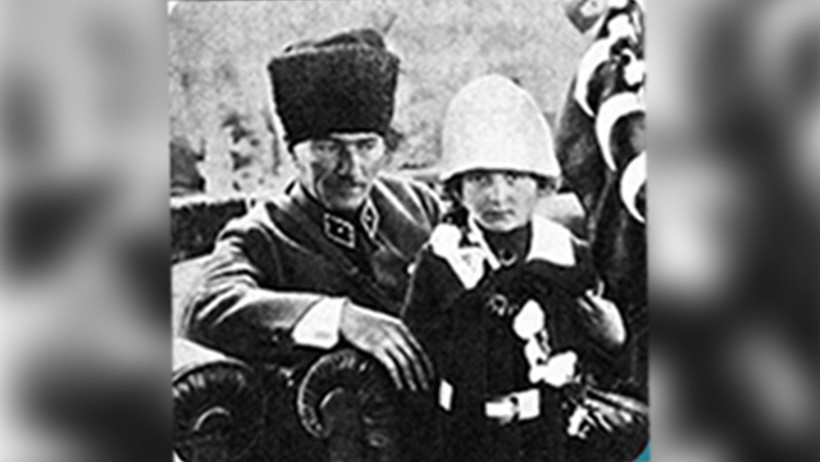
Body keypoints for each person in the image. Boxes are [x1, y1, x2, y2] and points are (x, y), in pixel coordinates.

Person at [181, 29, 440, 402]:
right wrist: (340, 318)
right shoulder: (262, 234)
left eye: (367, 145)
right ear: (293, 153)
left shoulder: (418, 205)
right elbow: (204, 309)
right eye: (328, 148)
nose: (352, 169)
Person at [403, 75, 631, 462]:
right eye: (480, 179)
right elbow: (418, 355)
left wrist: (612, 340)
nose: (498, 196)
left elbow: (598, 364)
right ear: (457, 189)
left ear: (541, 185)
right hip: (463, 437)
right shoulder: (442, 260)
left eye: (512, 178)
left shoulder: (567, 256)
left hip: (548, 435)